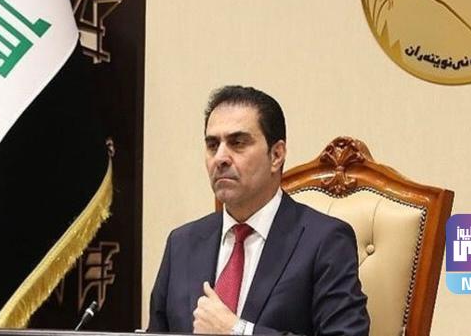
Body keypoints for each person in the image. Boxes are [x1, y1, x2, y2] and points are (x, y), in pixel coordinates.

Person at [148, 86, 369, 335]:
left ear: (276, 155)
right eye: (212, 145)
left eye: (237, 143)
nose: (220, 158)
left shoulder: (326, 241)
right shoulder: (181, 243)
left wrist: (238, 331)